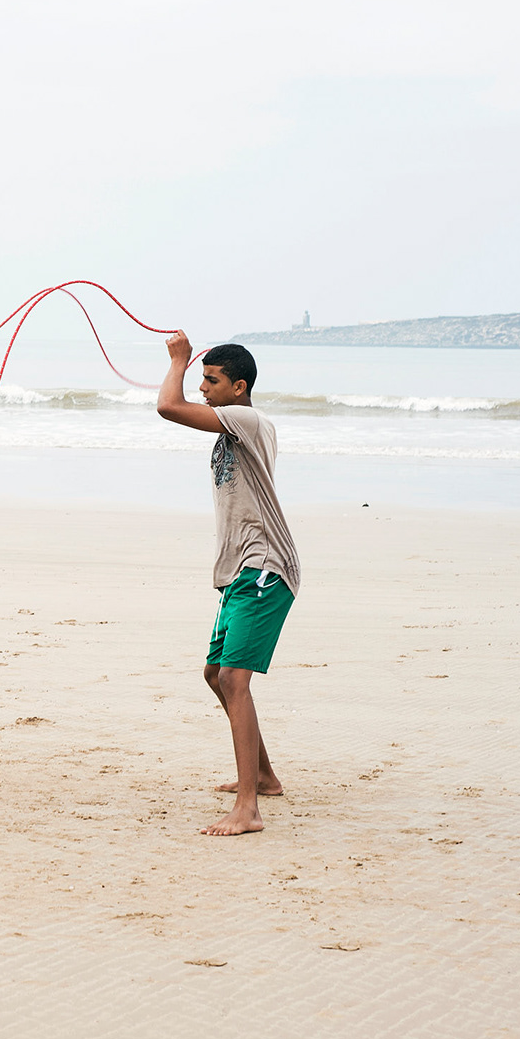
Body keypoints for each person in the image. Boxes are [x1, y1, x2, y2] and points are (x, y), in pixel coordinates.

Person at [156, 333, 301, 836]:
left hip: (265, 567)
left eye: (211, 380)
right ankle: (263, 777)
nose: (202, 388)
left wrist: (178, 360)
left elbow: (168, 407)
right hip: (241, 570)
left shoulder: (247, 419)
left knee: (235, 681)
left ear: (239, 388)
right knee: (215, 673)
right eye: (201, 377)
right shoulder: (232, 428)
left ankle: (248, 810)